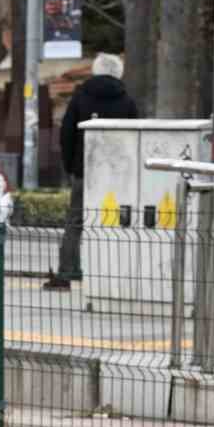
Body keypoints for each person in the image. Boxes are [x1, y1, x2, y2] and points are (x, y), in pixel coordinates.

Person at [50, 53, 138, 291]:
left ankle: (67, 272)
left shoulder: (80, 97)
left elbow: (66, 133)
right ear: (119, 72)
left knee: (75, 221)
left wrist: (70, 166)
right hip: (117, 174)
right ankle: (113, 275)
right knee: (114, 221)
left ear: (96, 71)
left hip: (84, 170)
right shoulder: (127, 101)